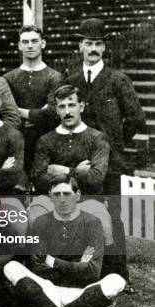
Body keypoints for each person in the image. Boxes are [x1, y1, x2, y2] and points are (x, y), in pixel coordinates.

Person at [63, 19, 145, 291]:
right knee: (82, 211)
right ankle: (85, 270)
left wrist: (113, 145)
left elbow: (135, 119)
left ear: (104, 47)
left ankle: (120, 274)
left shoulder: (117, 79)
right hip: (78, 161)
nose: (93, 48)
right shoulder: (71, 81)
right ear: (80, 46)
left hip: (110, 163)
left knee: (112, 216)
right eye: (88, 43)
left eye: (98, 43)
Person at [3, 176, 126, 307]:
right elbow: (39, 268)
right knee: (11, 267)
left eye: (67, 194)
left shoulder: (92, 223)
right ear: (50, 196)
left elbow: (93, 272)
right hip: (48, 288)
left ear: (78, 195)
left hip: (79, 292)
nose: (62, 199)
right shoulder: (41, 223)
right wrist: (79, 264)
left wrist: (52, 260)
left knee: (117, 281)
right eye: (57, 194)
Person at [2, 25, 62, 179]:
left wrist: (22, 112)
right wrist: (37, 114)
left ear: (43, 44)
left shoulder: (54, 76)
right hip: (17, 143)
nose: (30, 45)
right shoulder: (8, 78)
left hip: (46, 142)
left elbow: (52, 112)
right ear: (19, 45)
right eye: (25, 41)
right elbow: (5, 111)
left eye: (34, 41)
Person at [32, 85, 110, 195]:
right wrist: (78, 173)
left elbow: (96, 178)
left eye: (72, 105)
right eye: (62, 107)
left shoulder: (97, 138)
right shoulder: (45, 140)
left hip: (89, 202)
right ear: (57, 110)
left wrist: (66, 171)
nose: (67, 111)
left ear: (81, 107)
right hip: (56, 202)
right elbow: (38, 180)